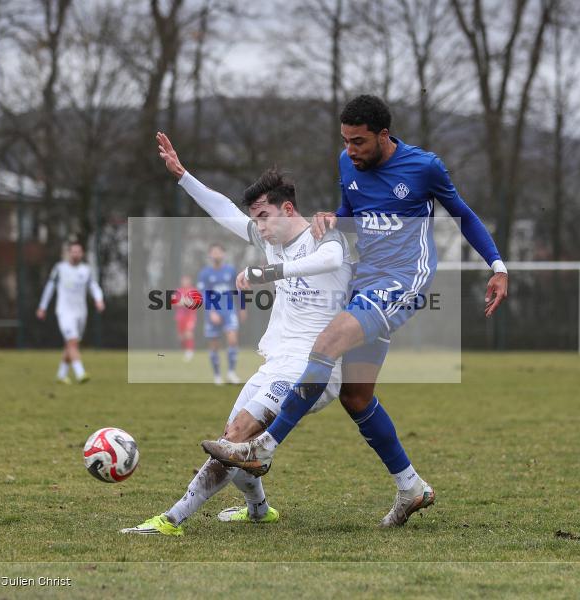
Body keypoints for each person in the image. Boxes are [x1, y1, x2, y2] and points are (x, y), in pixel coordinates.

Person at [203, 94, 509, 527]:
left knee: (325, 342)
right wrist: (332, 219)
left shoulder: (424, 168)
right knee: (355, 395)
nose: (350, 150)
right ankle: (411, 487)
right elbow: (353, 215)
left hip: (404, 279)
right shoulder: (349, 165)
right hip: (364, 283)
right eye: (345, 141)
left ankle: (265, 446)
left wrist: (497, 265)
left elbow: (463, 214)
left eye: (359, 141)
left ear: (384, 135)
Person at [120, 132, 351, 536]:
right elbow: (223, 210)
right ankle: (259, 510)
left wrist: (267, 274)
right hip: (279, 361)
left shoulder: (322, 233)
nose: (258, 228)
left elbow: (333, 257)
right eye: (255, 220)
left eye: (264, 217)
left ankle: (171, 520)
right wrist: (182, 175)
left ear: (288, 208)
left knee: (240, 436)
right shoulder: (271, 240)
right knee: (233, 440)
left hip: (316, 365)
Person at [36, 239, 105, 384]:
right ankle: (80, 373)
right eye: (73, 251)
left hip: (81, 312)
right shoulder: (59, 269)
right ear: (68, 253)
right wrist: (42, 307)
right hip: (64, 311)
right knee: (72, 341)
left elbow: (93, 286)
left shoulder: (86, 270)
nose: (75, 254)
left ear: (82, 254)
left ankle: (61, 375)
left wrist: (99, 299)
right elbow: (50, 288)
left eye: (78, 252)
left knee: (72, 344)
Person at [198, 243, 244, 385]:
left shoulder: (230, 271)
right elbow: (203, 295)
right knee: (214, 345)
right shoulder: (204, 274)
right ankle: (217, 375)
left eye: (219, 252)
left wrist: (242, 307)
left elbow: (239, 289)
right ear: (210, 255)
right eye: (214, 252)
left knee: (232, 340)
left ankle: (231, 373)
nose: (216, 254)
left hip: (229, 310)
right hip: (212, 313)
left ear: (223, 254)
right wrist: (211, 312)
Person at [173, 275, 198, 362]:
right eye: (183, 280)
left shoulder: (193, 291)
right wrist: (184, 302)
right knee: (181, 337)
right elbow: (175, 302)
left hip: (190, 316)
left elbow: (194, 303)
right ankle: (185, 351)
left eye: (186, 280)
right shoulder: (179, 291)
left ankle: (190, 352)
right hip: (180, 317)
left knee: (188, 333)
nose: (185, 282)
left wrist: (184, 302)